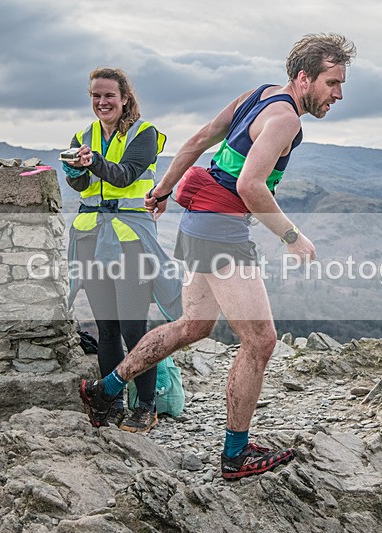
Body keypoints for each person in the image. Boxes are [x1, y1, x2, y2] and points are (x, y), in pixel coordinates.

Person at [80, 34, 356, 479]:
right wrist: (292, 236)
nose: (338, 94)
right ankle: (235, 454)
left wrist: (163, 188)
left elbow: (200, 139)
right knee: (261, 342)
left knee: (194, 325)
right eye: (333, 82)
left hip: (198, 225)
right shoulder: (285, 117)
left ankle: (104, 389)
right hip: (222, 235)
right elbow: (250, 185)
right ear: (304, 78)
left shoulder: (258, 95)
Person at [65, 67, 181, 432]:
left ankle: (145, 405)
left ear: (125, 97)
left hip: (130, 239)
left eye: (109, 96)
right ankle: (111, 402)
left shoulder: (145, 134)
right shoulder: (83, 135)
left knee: (134, 327)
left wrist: (92, 162)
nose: (102, 102)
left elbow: (126, 175)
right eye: (96, 96)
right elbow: (82, 183)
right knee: (108, 329)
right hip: (90, 236)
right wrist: (74, 170)